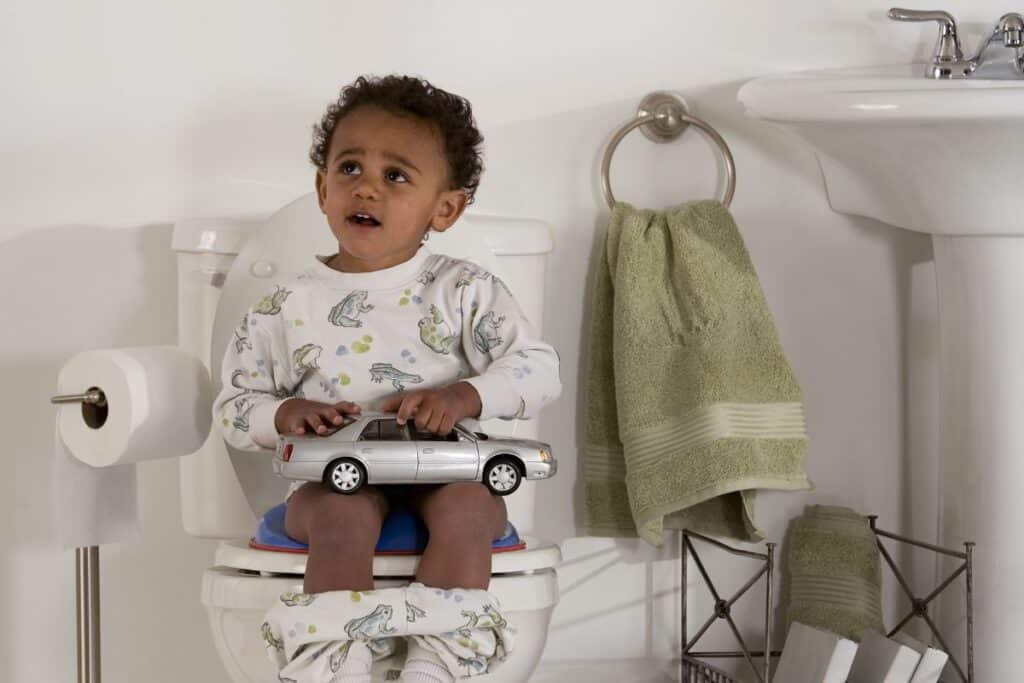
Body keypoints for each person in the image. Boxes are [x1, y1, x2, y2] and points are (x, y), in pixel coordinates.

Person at [213, 74, 561, 682]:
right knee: (343, 517)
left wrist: (464, 394)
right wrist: (279, 415)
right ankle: (334, 662)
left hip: (446, 472)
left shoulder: (465, 291)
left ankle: (440, 658)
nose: (366, 187)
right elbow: (233, 406)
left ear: (445, 208)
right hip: (334, 483)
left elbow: (537, 369)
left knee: (471, 506)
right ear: (322, 188)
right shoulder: (284, 306)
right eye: (349, 168)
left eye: (395, 175)